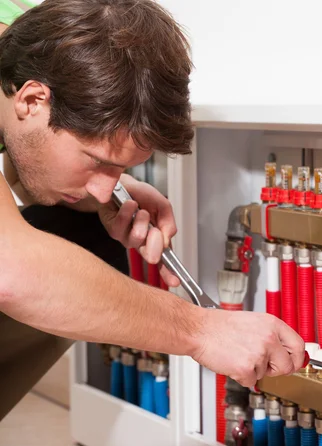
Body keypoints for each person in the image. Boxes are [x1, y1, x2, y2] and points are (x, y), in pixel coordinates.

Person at [0, 0, 305, 421]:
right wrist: (199, 330)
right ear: (33, 100)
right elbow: (9, 272)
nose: (107, 187)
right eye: (96, 160)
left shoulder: (32, 41)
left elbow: (20, 153)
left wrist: (109, 190)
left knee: (81, 231)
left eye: (121, 167)